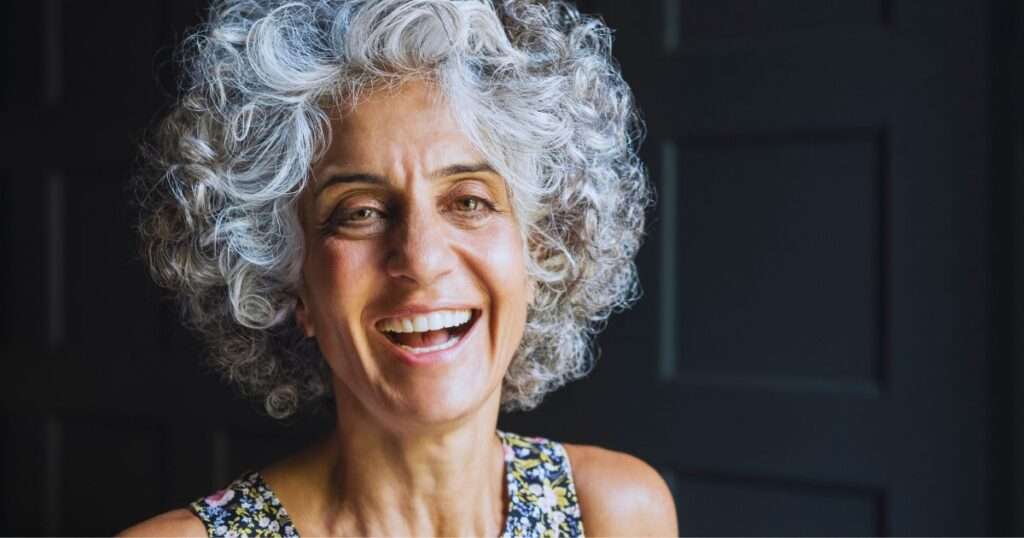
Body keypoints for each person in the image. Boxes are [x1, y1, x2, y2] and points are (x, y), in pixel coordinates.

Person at [119, 0, 677, 536]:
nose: (421, 260)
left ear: (540, 248)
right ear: (290, 282)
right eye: (359, 212)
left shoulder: (616, 514)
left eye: (469, 201)